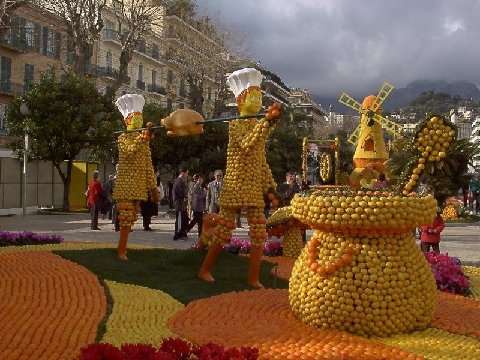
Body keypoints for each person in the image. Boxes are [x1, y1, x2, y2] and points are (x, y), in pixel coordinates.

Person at [198, 68, 282, 288]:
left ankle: (253, 278)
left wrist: (270, 188)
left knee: (258, 232)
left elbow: (260, 160)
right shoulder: (234, 125)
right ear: (241, 101)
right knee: (225, 229)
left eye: (260, 97)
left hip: (253, 188)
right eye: (254, 97)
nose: (258, 102)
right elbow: (246, 145)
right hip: (235, 186)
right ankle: (205, 269)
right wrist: (266, 123)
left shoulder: (258, 126)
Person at [113, 94, 159, 260]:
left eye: (140, 119)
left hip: (138, 187)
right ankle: (121, 251)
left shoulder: (144, 141)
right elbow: (130, 151)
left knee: (132, 218)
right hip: (126, 186)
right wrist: (144, 136)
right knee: (125, 218)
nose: (139, 123)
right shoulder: (123, 139)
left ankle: (122, 248)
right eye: (136, 119)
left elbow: (148, 166)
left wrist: (153, 188)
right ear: (127, 121)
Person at [173, 166, 189, 240]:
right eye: (186, 173)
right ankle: (177, 234)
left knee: (184, 219)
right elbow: (180, 192)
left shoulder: (180, 180)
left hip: (181, 203)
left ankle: (182, 233)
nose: (187, 175)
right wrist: (185, 196)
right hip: (179, 203)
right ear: (183, 173)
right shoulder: (179, 181)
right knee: (179, 219)